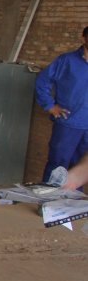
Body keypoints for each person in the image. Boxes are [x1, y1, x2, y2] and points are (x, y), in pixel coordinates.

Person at [35, 26, 88, 183]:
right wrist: (50, 105)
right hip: (69, 122)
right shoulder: (67, 61)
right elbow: (42, 82)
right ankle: (49, 197)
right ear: (83, 39)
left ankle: (72, 198)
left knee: (81, 168)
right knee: (58, 164)